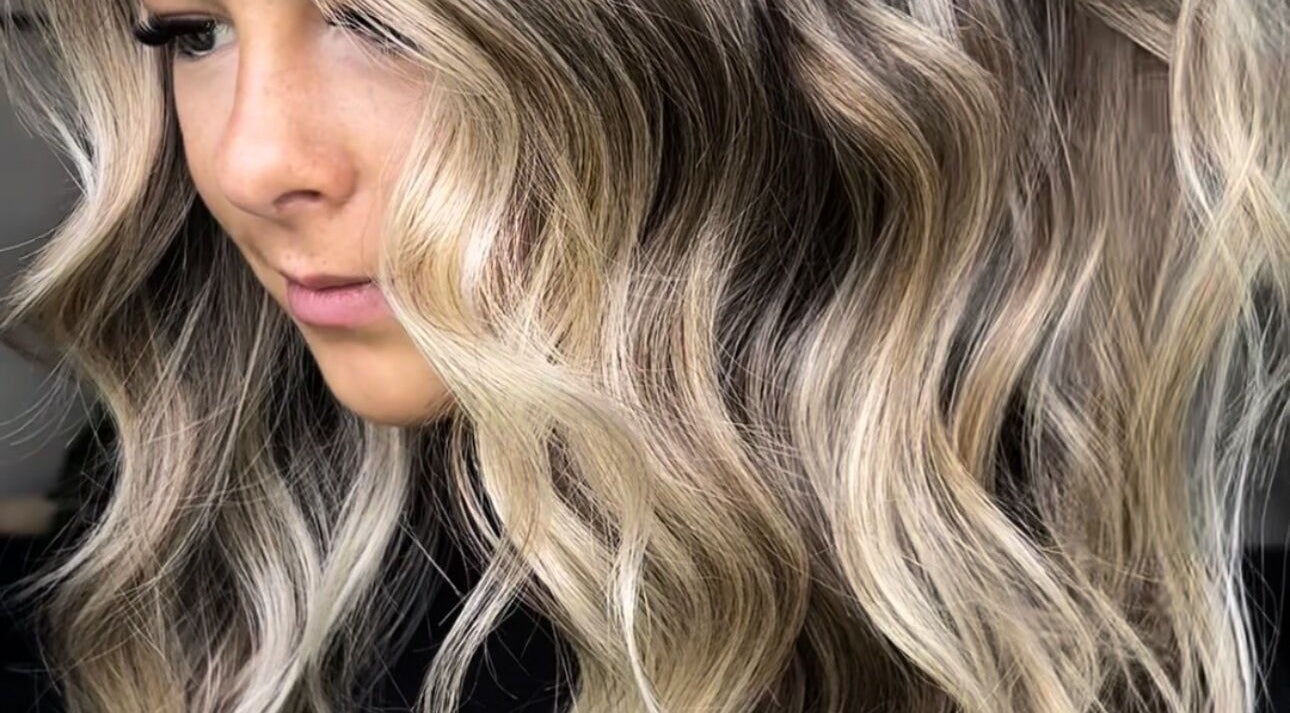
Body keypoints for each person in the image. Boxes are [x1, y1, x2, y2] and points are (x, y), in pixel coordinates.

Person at [0, 1, 1286, 711]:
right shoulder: (183, 538)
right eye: (190, 31)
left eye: (383, 23)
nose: (250, 161)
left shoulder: (1138, 634)